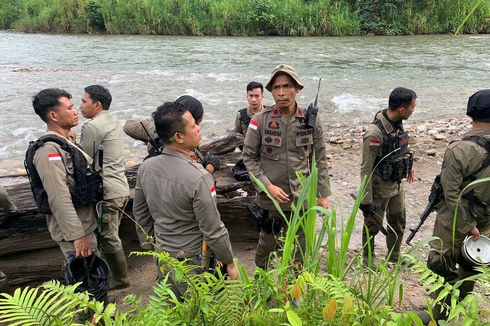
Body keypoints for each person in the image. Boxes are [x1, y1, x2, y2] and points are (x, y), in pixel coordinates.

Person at [132, 101, 238, 295]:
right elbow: (213, 228)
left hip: (163, 253)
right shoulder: (199, 177)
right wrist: (229, 261)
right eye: (193, 126)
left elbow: (140, 212)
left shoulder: (146, 167)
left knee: (172, 306)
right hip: (194, 260)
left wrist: (149, 244)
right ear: (179, 136)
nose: (198, 128)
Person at [242, 64, 331, 269]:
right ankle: (262, 284)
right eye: (276, 87)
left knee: (300, 247)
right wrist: (268, 187)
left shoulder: (310, 120)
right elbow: (249, 159)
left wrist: (322, 193)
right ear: (271, 91)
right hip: (270, 200)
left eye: (287, 86)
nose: (281, 93)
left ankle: (295, 288)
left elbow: (320, 158)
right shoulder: (260, 120)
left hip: (302, 199)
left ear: (297, 88)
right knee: (266, 245)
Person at [422, 89, 490, 321]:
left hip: (455, 220)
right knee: (472, 264)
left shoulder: (459, 149)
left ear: (470, 113)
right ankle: (456, 307)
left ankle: (440, 313)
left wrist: (468, 225)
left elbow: (451, 195)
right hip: (486, 219)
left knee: (438, 262)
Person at [25, 88, 99, 261]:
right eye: (69, 108)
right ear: (53, 115)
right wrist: (77, 236)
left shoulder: (65, 142)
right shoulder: (47, 151)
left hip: (85, 224)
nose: (75, 111)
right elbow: (58, 197)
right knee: (88, 283)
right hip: (74, 233)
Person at [79, 85, 130, 290]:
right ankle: (116, 276)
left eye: (84, 101)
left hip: (107, 191)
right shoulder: (113, 121)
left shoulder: (92, 126)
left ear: (97, 104)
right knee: (111, 234)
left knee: (108, 236)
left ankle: (120, 279)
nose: (80, 106)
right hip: (119, 185)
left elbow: (83, 160)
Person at [360, 87, 417, 266]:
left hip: (396, 184)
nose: (413, 110)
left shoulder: (397, 122)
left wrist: (409, 165)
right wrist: (366, 199)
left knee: (398, 222)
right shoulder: (374, 133)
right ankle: (368, 258)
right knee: (373, 225)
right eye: (412, 107)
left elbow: (399, 146)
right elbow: (366, 169)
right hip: (379, 186)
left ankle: (394, 256)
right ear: (402, 109)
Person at [123, 95, 220, 173]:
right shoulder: (184, 153)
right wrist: (210, 167)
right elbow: (197, 181)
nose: (198, 127)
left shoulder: (157, 128)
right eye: (195, 124)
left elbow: (127, 126)